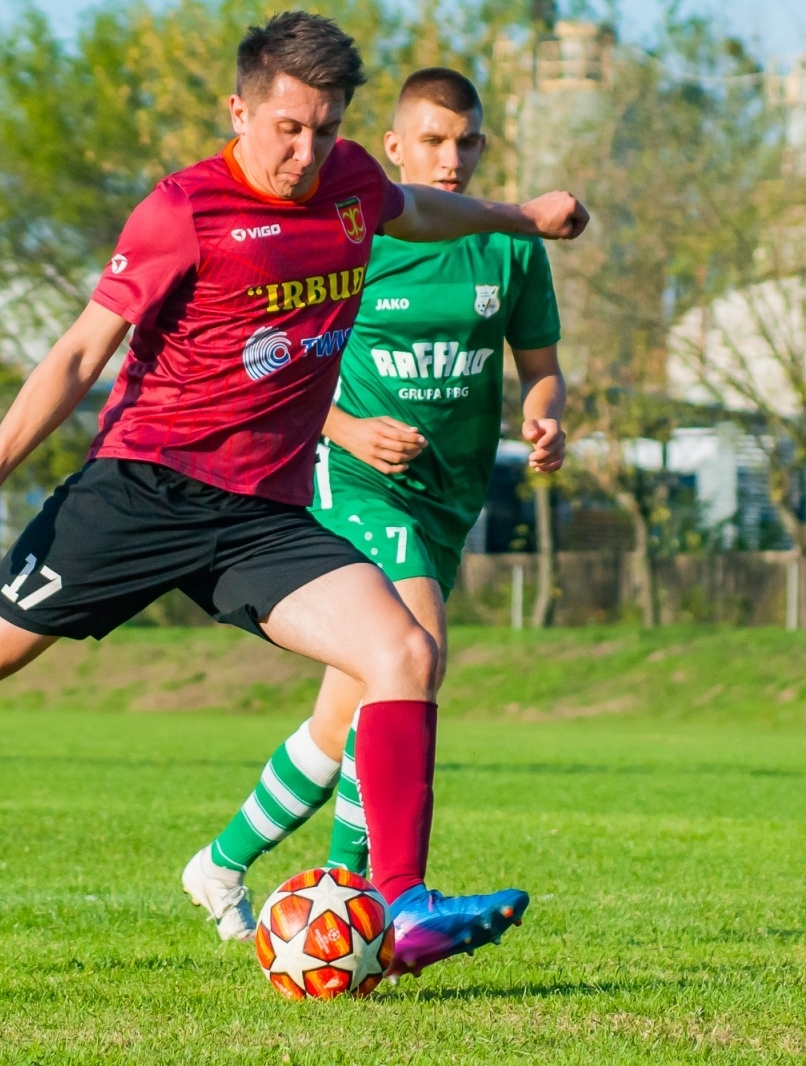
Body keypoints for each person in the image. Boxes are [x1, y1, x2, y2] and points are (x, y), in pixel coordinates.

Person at [0, 11, 587, 977]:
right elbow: (82, 350)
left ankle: (406, 905)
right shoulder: (184, 210)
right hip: (137, 496)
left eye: (326, 129)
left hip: (260, 518)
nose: (306, 151)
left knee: (403, 650)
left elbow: (420, 209)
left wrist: (522, 218)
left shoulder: (351, 188)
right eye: (288, 127)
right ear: (239, 109)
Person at [181, 67, 565, 941]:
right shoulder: (358, 232)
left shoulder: (507, 247)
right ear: (392, 149)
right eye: (432, 140)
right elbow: (277, 356)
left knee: (342, 715)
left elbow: (540, 369)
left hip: (446, 501)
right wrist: (349, 430)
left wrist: (547, 421)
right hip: (350, 481)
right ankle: (375, 902)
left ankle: (220, 862)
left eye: (466, 142)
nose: (451, 157)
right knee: (413, 649)